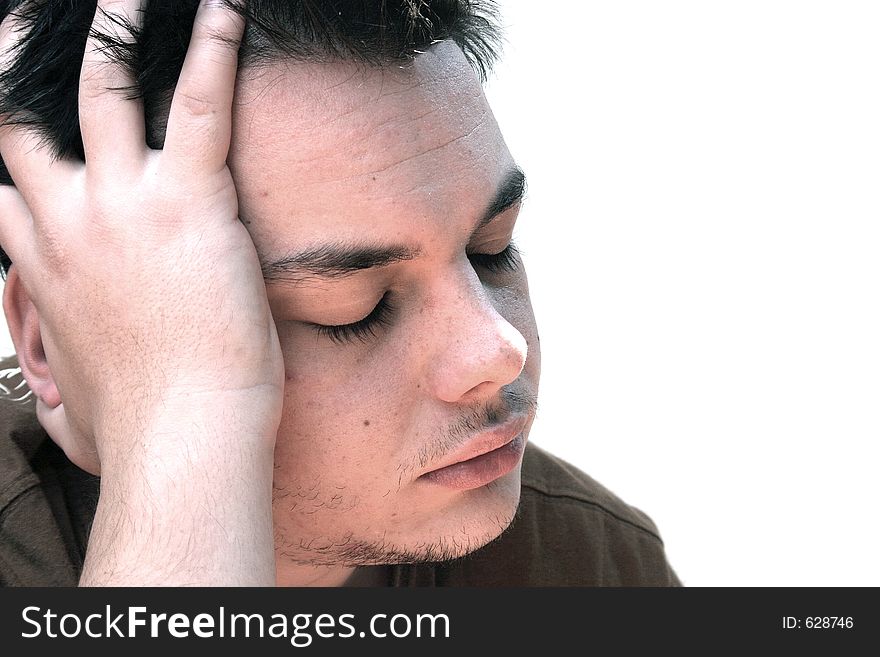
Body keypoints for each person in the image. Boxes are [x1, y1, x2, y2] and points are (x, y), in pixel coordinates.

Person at [0, 0, 680, 586]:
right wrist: (180, 423)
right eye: (355, 309)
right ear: (44, 340)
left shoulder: (591, 565)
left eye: (491, 251)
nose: (495, 348)